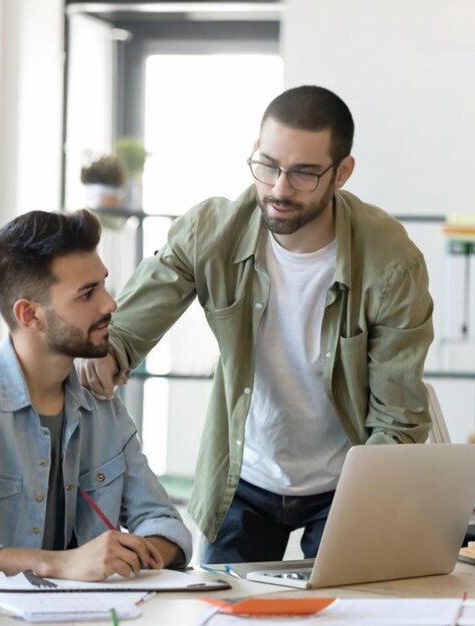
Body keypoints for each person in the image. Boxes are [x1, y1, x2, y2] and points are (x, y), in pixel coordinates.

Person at [77, 85, 434, 563]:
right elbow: (128, 326)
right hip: (241, 478)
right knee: (224, 613)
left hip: (346, 482)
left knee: (347, 613)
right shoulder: (211, 230)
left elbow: (398, 420)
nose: (279, 189)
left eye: (305, 173)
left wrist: (368, 513)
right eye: (267, 166)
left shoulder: (391, 262)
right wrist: (108, 354)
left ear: (342, 172)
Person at [0, 209, 192, 595]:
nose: (111, 304)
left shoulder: (105, 410)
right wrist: (59, 564)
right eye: (87, 293)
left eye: (104, 285)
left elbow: (166, 525)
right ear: (30, 315)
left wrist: (126, 554)